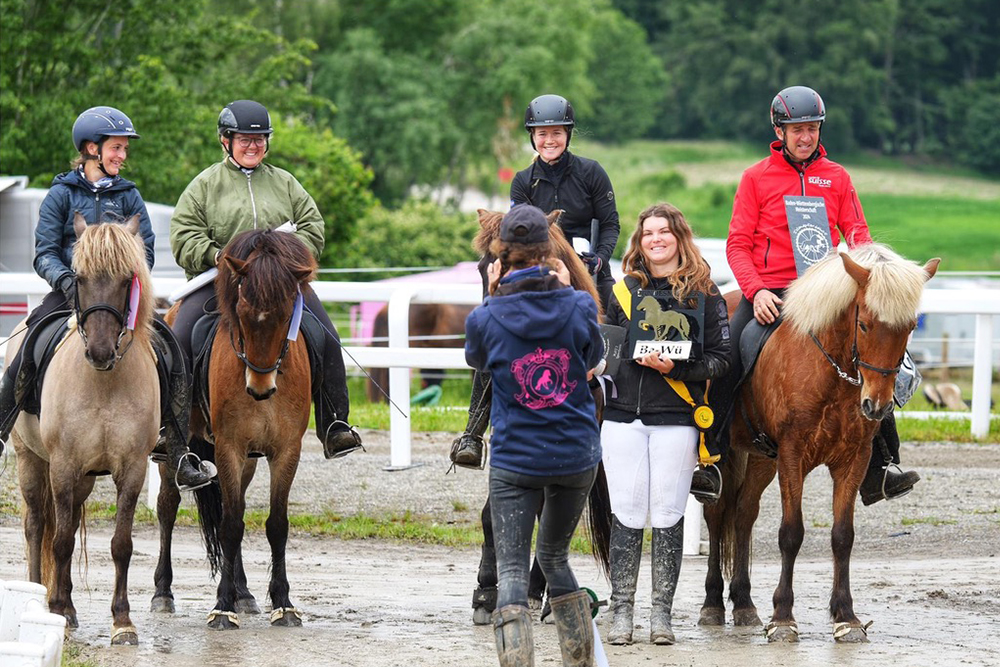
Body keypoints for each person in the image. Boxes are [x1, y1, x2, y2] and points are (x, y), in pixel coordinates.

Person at [711, 85, 920, 505]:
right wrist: (756, 291)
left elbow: (858, 235)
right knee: (727, 356)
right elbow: (737, 244)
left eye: (811, 128)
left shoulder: (837, 177)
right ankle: (711, 459)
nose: (805, 137)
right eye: (797, 129)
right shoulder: (755, 178)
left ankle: (882, 466)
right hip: (770, 292)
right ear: (779, 130)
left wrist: (869, 272)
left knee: (883, 359)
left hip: (826, 295)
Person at [0, 106, 215, 491]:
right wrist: (66, 280)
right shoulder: (62, 194)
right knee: (28, 342)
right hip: (71, 293)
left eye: (123, 149)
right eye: (116, 148)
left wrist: (126, 273)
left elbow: (145, 252)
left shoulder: (129, 196)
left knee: (171, 353)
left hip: (118, 299)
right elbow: (44, 251)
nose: (122, 156)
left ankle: (178, 449)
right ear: (91, 149)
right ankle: (4, 424)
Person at [169, 99, 362, 459]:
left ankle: (335, 424)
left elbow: (312, 227)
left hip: (281, 286)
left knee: (327, 336)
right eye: (245, 139)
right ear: (226, 140)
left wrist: (283, 260)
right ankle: (174, 431)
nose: (253, 146)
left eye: (260, 140)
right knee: (180, 336)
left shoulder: (285, 182)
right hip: (221, 281)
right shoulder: (204, 185)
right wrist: (219, 257)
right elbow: (183, 235)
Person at [465, 205, 603, 667]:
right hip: (576, 457)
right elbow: (594, 356)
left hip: (516, 460)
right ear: (551, 251)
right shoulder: (581, 305)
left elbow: (479, 362)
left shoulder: (485, 318)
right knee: (555, 557)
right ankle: (579, 661)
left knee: (510, 573)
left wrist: (491, 296)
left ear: (500, 256)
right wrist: (567, 293)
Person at [451, 93, 621, 469]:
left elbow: (611, 224)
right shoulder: (523, 181)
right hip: (536, 271)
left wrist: (599, 259)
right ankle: (473, 432)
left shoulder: (592, 172)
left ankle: (627, 416)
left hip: (589, 269)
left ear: (568, 135)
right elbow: (515, 233)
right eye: (542, 134)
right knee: (498, 328)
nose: (549, 140)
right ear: (533, 137)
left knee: (621, 326)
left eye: (556, 133)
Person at [601, 203, 731, 645]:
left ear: (679, 237)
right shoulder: (621, 292)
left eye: (664, 232)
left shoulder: (706, 294)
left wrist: (676, 370)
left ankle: (662, 615)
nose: (656, 239)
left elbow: (721, 361)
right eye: (648, 233)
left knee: (669, 513)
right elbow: (603, 348)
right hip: (622, 418)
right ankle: (621, 610)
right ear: (640, 241)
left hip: (677, 418)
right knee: (627, 512)